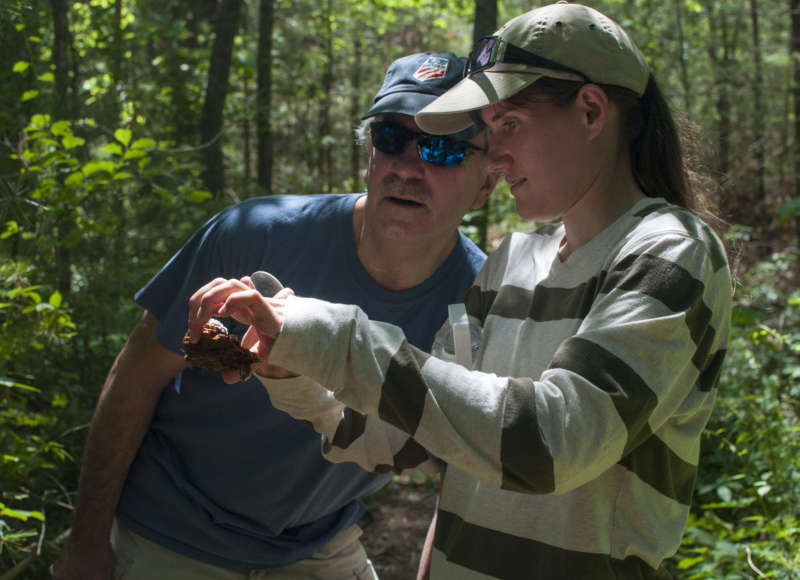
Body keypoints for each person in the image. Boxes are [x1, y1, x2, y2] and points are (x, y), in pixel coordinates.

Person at [188, 4, 734, 579]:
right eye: (490, 130)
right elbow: (400, 440)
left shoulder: (671, 253)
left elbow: (549, 442)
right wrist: (289, 365)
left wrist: (332, 336)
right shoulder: (513, 262)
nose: (495, 157)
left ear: (591, 111)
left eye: (510, 125)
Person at [53, 51, 497, 580]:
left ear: (487, 184)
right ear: (370, 155)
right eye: (390, 138)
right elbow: (137, 377)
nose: (408, 165)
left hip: (320, 542)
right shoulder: (256, 234)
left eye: (442, 149)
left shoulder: (480, 301)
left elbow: (466, 469)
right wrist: (85, 543)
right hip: (174, 530)